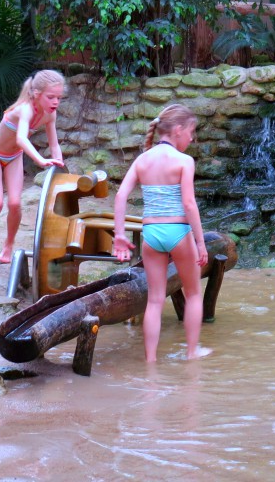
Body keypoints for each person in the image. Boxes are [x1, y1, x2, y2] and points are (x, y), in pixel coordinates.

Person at [111, 104, 209, 362]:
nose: (192, 138)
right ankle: (191, 354)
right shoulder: (184, 161)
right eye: (191, 132)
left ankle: (151, 360)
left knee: (154, 301)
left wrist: (119, 233)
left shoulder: (142, 159)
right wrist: (200, 242)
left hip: (151, 234)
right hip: (178, 231)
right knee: (194, 293)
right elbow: (189, 204)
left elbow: (121, 195)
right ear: (177, 130)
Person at [0, 70, 66, 273]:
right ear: (36, 93)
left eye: (59, 98)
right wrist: (41, 160)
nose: (55, 102)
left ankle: (8, 246)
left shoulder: (50, 115)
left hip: (14, 157)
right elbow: (21, 139)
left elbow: (54, 145)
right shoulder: (25, 109)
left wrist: (59, 164)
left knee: (15, 203)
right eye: (50, 97)